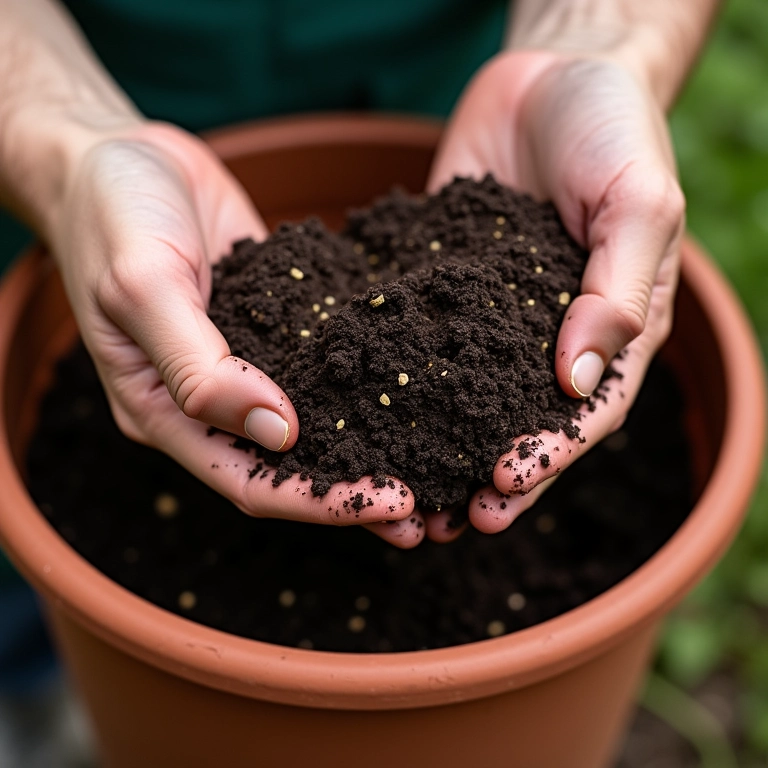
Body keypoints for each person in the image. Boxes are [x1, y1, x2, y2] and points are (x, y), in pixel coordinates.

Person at [0, 0, 716, 702]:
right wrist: (66, 144)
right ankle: (29, 683)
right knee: (30, 586)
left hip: (472, 106)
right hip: (79, 104)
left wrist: (589, 41)